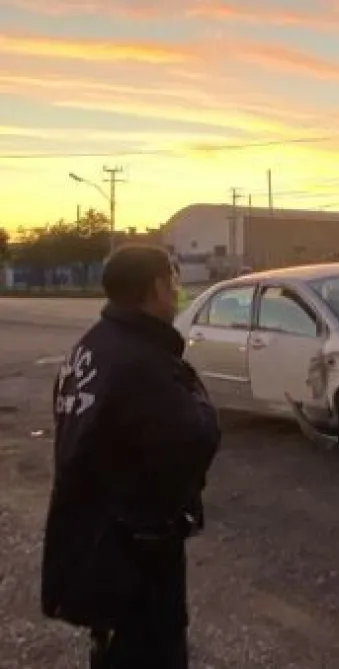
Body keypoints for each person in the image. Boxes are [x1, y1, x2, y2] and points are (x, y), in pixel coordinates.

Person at [41, 244, 221, 669]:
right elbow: (195, 437)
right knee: (151, 648)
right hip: (136, 550)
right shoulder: (142, 361)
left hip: (91, 537)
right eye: (173, 281)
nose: (176, 291)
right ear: (156, 287)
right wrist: (195, 391)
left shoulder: (88, 349)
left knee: (114, 647)